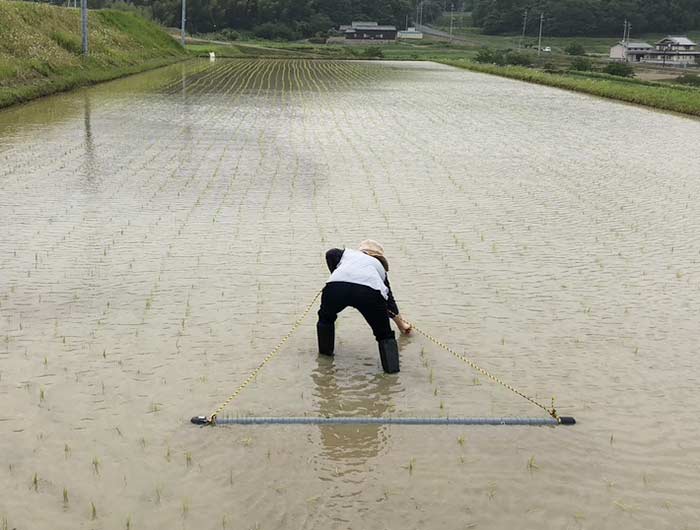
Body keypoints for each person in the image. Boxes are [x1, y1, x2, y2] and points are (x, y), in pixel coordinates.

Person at [316, 240, 411, 373]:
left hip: (336, 287)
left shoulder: (347, 255)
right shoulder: (379, 267)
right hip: (369, 292)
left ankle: (325, 359)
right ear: (378, 257)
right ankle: (392, 374)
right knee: (384, 335)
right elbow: (389, 302)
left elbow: (330, 253)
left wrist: (336, 273)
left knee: (325, 319)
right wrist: (402, 325)